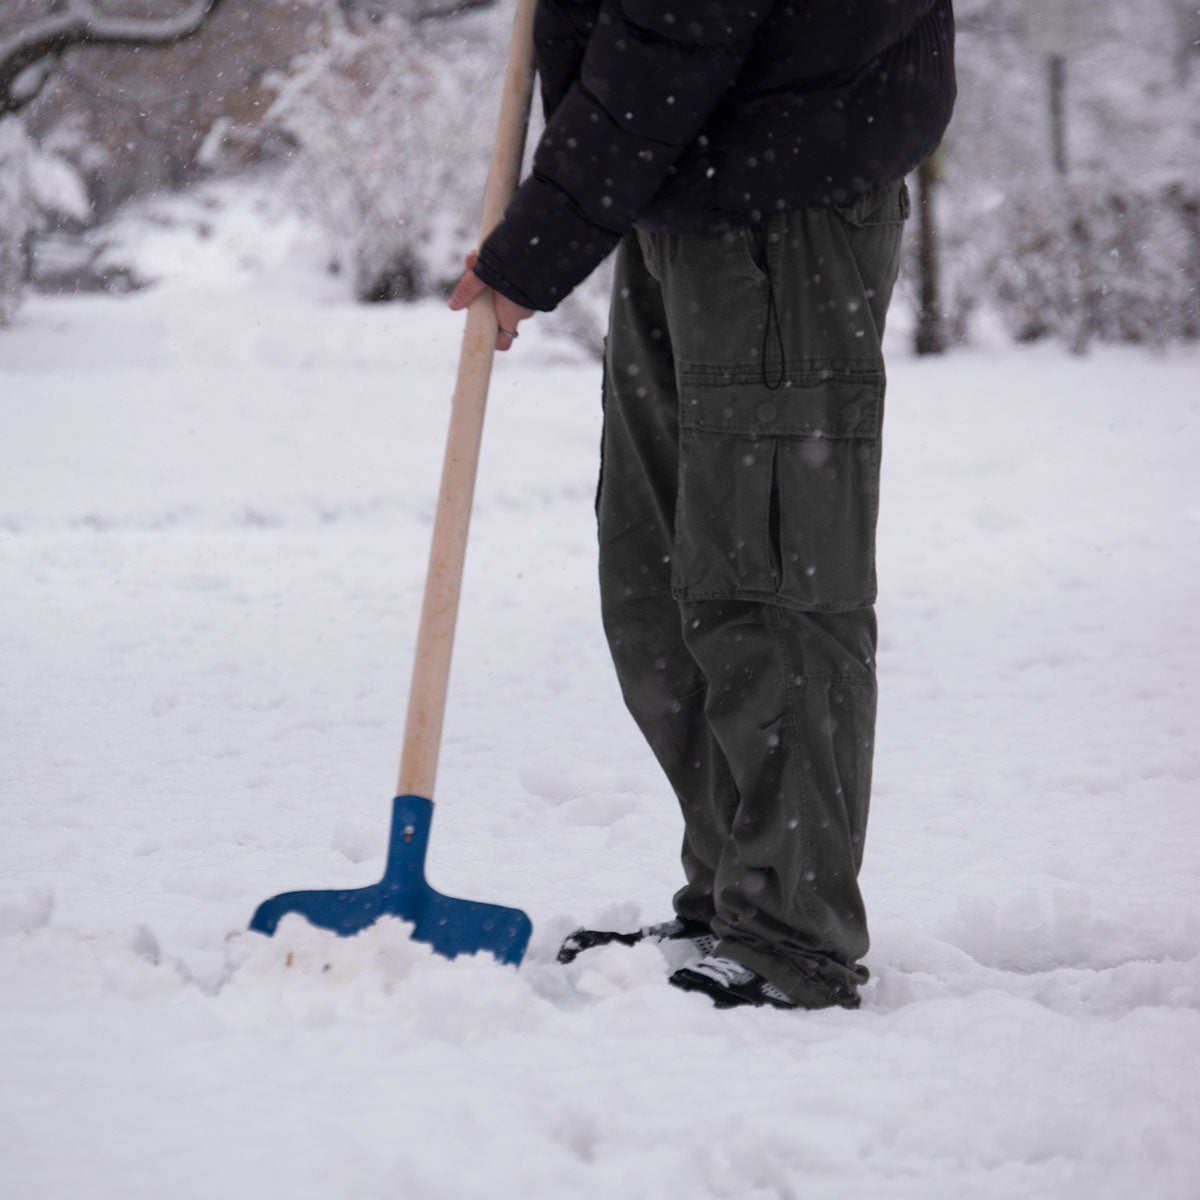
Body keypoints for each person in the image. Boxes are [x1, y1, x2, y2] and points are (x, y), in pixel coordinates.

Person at [450, 0, 956, 1010]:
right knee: (654, 574)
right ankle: (737, 889)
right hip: (683, 180)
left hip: (782, 189)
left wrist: (537, 246)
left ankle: (791, 932)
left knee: (769, 579)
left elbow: (675, 27)